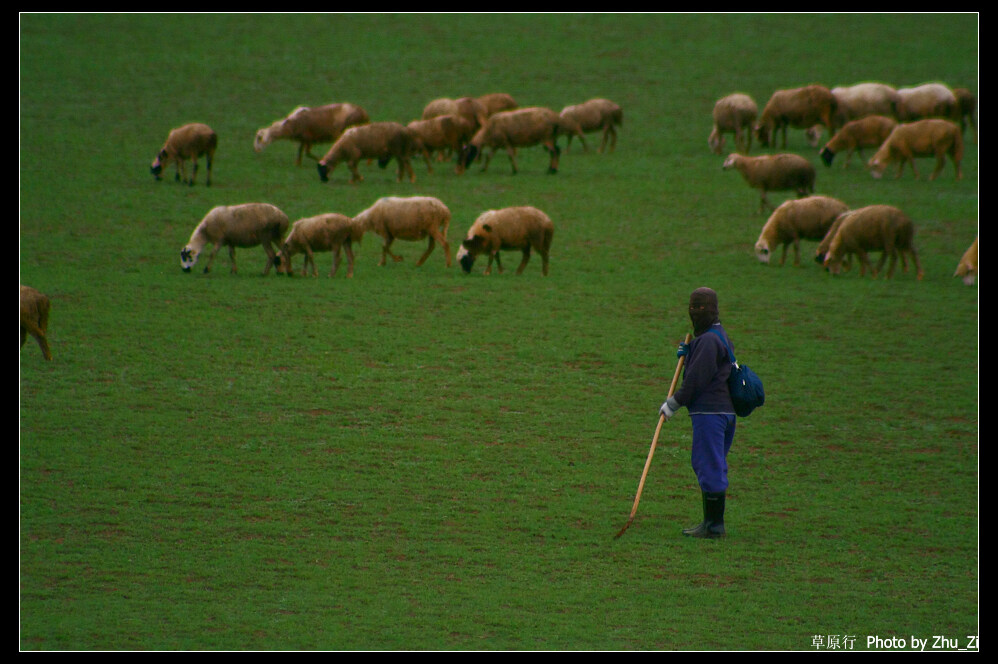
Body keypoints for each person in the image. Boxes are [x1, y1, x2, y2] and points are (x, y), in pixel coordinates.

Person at [660, 287, 736, 538]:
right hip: (722, 413)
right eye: (693, 307)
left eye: (700, 308)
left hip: (710, 414)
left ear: (711, 309)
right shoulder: (717, 336)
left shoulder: (709, 341)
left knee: (709, 464)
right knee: (711, 463)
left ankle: (714, 526)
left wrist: (673, 403)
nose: (695, 313)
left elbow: (696, 381)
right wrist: (690, 353)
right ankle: (711, 523)